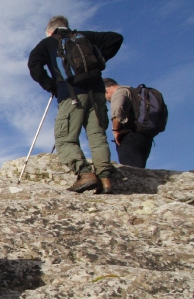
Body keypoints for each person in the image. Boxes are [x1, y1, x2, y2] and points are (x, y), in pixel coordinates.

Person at [28, 15, 123, 194]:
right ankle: (105, 178)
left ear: (50, 31)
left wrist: (52, 86)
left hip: (71, 94)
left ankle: (85, 174)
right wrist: (99, 60)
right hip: (97, 93)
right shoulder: (84, 36)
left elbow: (34, 65)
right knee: (97, 135)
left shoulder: (47, 43)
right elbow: (115, 38)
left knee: (65, 138)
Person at [104, 78, 155, 168]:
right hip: (146, 136)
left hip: (129, 136)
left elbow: (117, 111)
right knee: (139, 167)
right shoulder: (133, 92)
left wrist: (116, 130)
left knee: (132, 168)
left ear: (106, 90)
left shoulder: (119, 92)